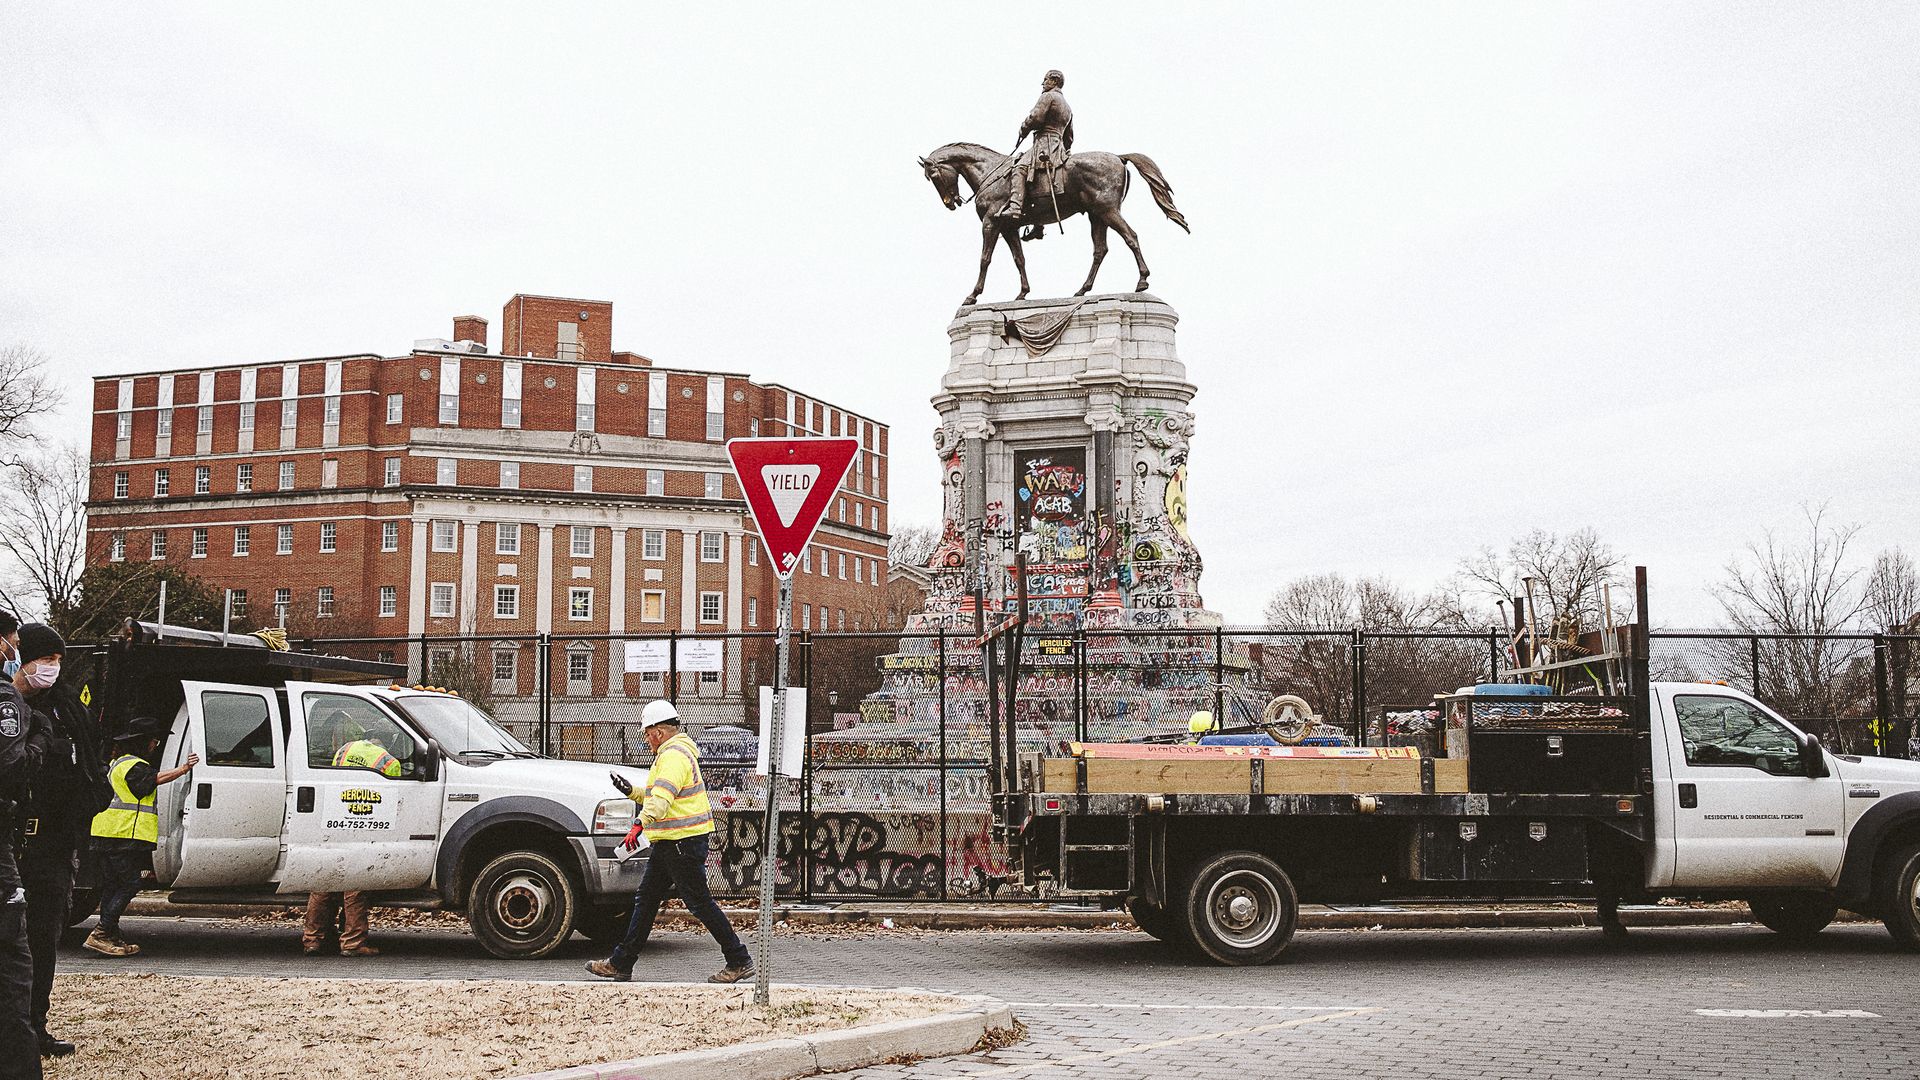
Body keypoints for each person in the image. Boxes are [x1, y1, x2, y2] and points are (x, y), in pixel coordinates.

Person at [586, 699, 753, 984]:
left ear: (659, 732)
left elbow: (661, 803)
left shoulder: (672, 756)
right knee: (647, 900)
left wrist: (638, 825)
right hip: (674, 843)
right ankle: (621, 962)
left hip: (680, 843)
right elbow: (660, 795)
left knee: (698, 903)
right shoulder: (675, 754)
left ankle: (738, 959)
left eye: (647, 733)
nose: (646, 739)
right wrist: (632, 792)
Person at [15, 625, 106, 1058]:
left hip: (51, 841)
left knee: (41, 938)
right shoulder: (11, 704)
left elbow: (92, 775)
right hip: (14, 836)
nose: (51, 668)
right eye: (44, 658)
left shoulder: (68, 709)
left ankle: (34, 1026)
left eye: (58, 659)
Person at [84, 716, 196, 957]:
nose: (155, 745)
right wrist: (184, 769)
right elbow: (152, 781)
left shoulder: (119, 762)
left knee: (114, 884)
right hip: (120, 835)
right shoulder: (133, 766)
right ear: (143, 742)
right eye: (153, 740)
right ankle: (102, 932)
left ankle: (109, 934)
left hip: (108, 833)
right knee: (130, 883)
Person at [301, 711, 397, 957]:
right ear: (388, 740)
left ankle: (312, 939)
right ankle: (353, 943)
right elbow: (394, 797)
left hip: (334, 819)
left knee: (322, 882)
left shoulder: (344, 750)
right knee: (355, 887)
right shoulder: (389, 762)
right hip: (364, 823)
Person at [0, 616, 47, 1080]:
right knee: (13, 965)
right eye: (12, 643)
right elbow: (10, 765)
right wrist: (36, 740)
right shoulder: (6, 698)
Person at [996, 69, 1075, 227]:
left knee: (1019, 168)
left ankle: (1015, 207)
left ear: (1054, 81)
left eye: (1045, 80)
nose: (1043, 83)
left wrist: (1023, 128)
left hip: (1043, 144)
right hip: (1057, 146)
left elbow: (1036, 118)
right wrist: (1065, 151)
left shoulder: (1048, 96)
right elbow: (1069, 137)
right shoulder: (1067, 107)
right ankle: (1038, 225)